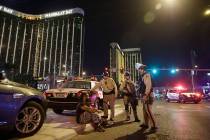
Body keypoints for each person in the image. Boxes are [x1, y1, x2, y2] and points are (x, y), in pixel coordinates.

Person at [135, 63, 157, 131]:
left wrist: (145, 95)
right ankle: (146, 124)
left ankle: (154, 125)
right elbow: (141, 86)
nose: (139, 71)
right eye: (139, 70)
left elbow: (148, 86)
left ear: (143, 69)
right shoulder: (143, 76)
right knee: (144, 110)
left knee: (148, 110)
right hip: (145, 95)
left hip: (148, 95)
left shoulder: (146, 75)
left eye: (140, 69)